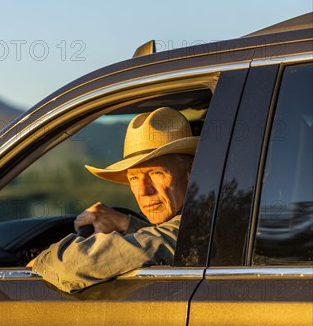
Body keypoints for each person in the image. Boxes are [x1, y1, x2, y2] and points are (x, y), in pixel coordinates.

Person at [28, 107, 199, 292]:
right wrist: (125, 223)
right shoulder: (198, 218)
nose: (143, 190)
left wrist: (40, 261)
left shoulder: (195, 227)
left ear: (191, 173)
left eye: (156, 173)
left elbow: (72, 265)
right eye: (133, 178)